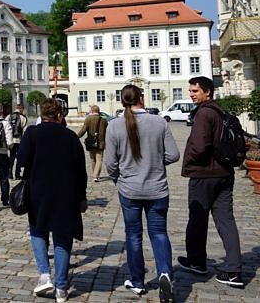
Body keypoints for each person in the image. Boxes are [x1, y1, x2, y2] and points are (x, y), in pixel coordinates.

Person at [104, 85, 179, 302]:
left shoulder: (114, 125)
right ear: (141, 99)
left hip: (129, 189)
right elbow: (173, 155)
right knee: (159, 233)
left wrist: (120, 177)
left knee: (133, 235)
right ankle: (165, 272)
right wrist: (156, 161)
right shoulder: (159, 122)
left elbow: (110, 164)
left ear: (121, 101)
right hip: (157, 188)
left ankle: (137, 281)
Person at [18, 98, 87, 301]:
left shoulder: (32, 133)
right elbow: (81, 171)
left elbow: (21, 162)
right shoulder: (71, 137)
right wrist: (82, 197)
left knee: (38, 230)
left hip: (38, 192)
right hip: (66, 194)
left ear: (41, 114)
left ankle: (45, 275)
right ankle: (62, 288)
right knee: (62, 238)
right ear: (60, 116)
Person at [178, 76, 244, 287]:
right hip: (224, 174)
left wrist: (189, 161)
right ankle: (234, 269)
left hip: (205, 175)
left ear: (207, 92)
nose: (191, 94)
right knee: (226, 220)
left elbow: (200, 145)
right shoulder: (219, 111)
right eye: (190, 91)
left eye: (195, 91)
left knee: (197, 219)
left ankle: (197, 262)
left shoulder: (204, 113)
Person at [77, 105, 108, 182]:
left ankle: (95, 175)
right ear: (99, 111)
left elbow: (83, 130)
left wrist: (77, 136)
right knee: (99, 159)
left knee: (93, 159)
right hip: (101, 143)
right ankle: (96, 175)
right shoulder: (104, 120)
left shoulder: (88, 119)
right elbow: (107, 131)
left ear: (91, 111)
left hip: (90, 142)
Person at [6, 104, 28, 179]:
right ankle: (17, 174)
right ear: (21, 109)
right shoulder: (23, 118)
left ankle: (9, 173)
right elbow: (25, 130)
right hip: (19, 140)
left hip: (11, 140)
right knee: (19, 157)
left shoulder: (9, 116)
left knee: (11, 156)